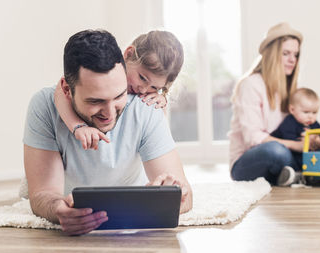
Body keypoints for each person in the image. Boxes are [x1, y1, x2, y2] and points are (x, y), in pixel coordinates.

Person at [23, 29, 193, 236]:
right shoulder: (46, 105)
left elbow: (186, 196)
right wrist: (56, 209)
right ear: (67, 90)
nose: (110, 113)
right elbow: (43, 194)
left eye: (120, 96)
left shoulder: (146, 106)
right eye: (96, 101)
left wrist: (176, 193)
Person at [54, 30, 183, 150]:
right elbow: (60, 91)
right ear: (128, 54)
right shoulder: (108, 69)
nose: (143, 90)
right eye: (142, 78)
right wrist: (77, 126)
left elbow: (159, 137)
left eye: (155, 87)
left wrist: (161, 101)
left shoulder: (148, 100)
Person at [229, 22, 316, 186]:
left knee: (317, 149)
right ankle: (299, 173)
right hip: (247, 162)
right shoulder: (251, 85)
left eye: (296, 55)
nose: (293, 60)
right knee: (276, 151)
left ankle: (292, 174)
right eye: (286, 53)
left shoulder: (292, 89)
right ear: (272, 55)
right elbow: (252, 138)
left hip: (283, 154)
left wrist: (311, 139)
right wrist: (298, 146)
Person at [270, 88, 320, 184]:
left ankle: (316, 173)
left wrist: (319, 139)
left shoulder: (313, 123)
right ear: (292, 109)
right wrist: (305, 141)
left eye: (314, 112)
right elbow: (290, 140)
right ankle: (298, 174)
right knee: (295, 156)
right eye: (306, 112)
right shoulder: (289, 122)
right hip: (289, 155)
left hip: (306, 156)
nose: (310, 116)